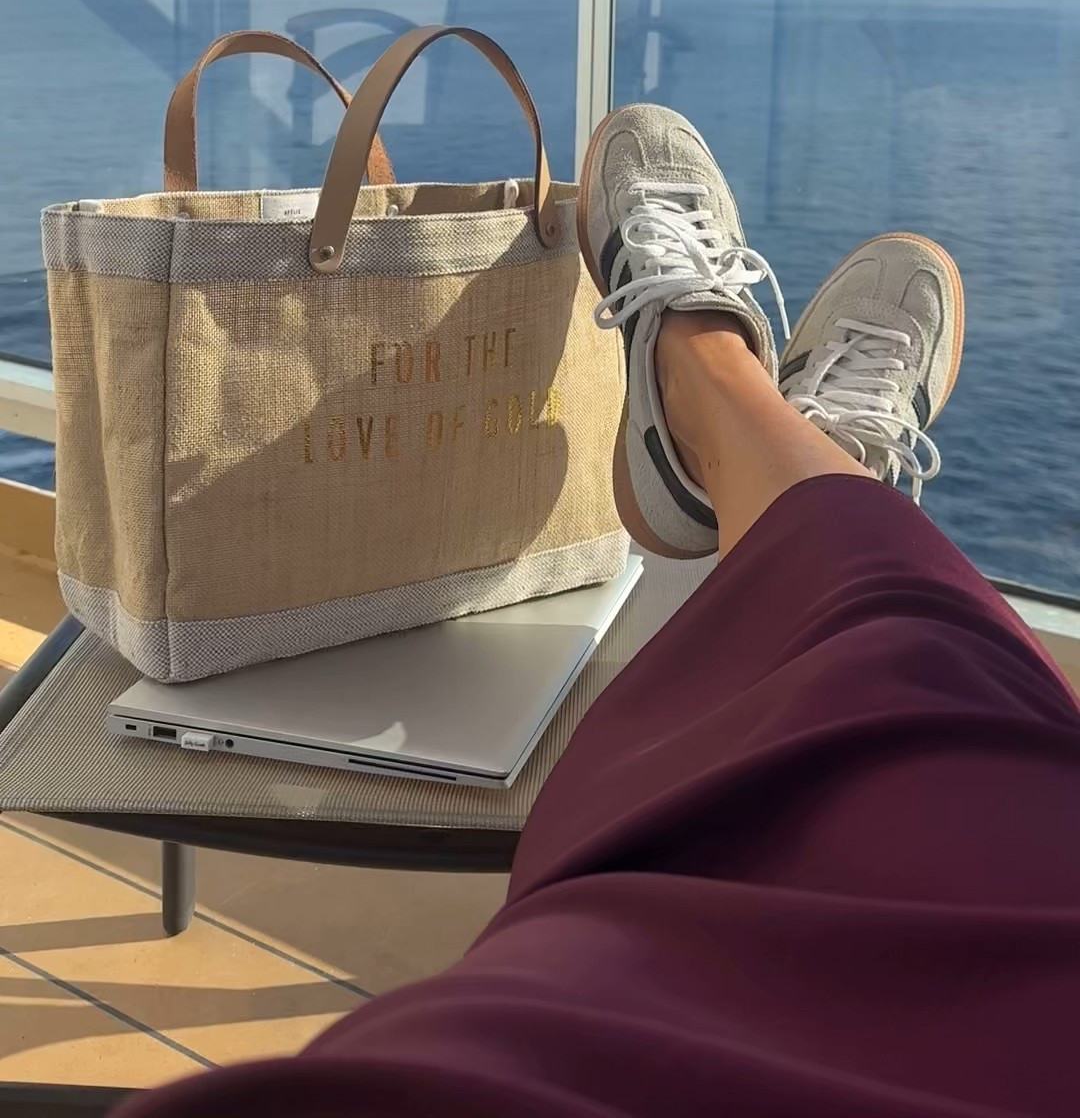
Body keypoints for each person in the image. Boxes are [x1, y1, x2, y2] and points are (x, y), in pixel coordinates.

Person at [126, 106, 1080, 1118]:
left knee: (915, 661)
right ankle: (791, 451)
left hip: (549, 1045)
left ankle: (710, 391)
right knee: (950, 722)